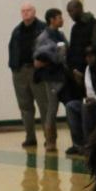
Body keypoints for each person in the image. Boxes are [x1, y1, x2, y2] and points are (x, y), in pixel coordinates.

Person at [8, 2, 46, 148]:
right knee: (25, 106)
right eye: (23, 11)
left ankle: (49, 137)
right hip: (20, 71)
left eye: (28, 10)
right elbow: (12, 49)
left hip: (37, 71)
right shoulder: (17, 31)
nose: (25, 13)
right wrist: (13, 67)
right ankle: (30, 137)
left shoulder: (43, 28)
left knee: (44, 105)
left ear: (34, 12)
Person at [32, 8, 68, 154]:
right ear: (52, 20)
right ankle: (50, 140)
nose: (62, 20)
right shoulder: (43, 38)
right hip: (51, 77)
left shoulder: (61, 35)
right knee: (52, 109)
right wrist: (52, 59)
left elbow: (65, 53)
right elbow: (38, 60)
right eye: (59, 17)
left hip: (63, 75)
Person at [65, 46, 96, 152]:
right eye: (87, 56)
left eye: (91, 56)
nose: (89, 59)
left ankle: (89, 144)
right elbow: (88, 91)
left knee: (86, 107)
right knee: (71, 106)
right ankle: (78, 144)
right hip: (91, 100)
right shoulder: (88, 69)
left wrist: (95, 100)